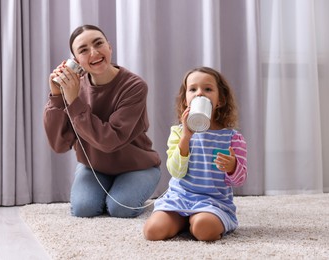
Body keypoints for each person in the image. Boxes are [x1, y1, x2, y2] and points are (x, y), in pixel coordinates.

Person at [43, 24, 161, 218]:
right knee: (83, 209)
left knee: (121, 209)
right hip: (94, 167)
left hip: (137, 166)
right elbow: (59, 144)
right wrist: (57, 96)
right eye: (83, 50)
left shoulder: (134, 86)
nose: (94, 52)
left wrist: (73, 102)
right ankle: (111, 193)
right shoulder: (74, 87)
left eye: (99, 44)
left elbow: (110, 140)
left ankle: (123, 193)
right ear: (76, 61)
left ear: (109, 47)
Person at [143, 66, 247, 241]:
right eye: (193, 89)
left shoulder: (232, 138)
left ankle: (195, 220)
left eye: (207, 89)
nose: (199, 93)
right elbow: (176, 172)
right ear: (185, 100)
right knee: (152, 231)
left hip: (212, 202)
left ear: (220, 100)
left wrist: (232, 167)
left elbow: (239, 179)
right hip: (179, 198)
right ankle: (182, 220)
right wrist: (186, 137)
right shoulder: (178, 132)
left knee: (204, 230)